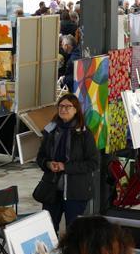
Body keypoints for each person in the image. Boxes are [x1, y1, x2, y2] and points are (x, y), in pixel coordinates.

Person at [36, 94, 100, 230]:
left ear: (76, 110)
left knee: (73, 233)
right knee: (48, 230)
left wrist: (65, 166)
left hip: (76, 192)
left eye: (68, 106)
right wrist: (47, 164)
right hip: (52, 190)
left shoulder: (84, 133)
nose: (63, 109)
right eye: (61, 106)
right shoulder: (51, 130)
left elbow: (93, 163)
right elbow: (40, 157)